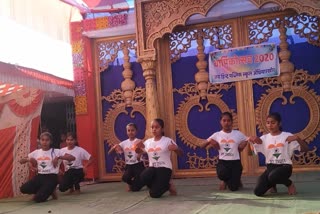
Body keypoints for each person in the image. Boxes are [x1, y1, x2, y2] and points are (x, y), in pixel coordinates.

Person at [248, 112, 309, 196]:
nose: (270, 125)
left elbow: (305, 150)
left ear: (279, 123)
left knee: (273, 176)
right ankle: (272, 184)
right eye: (268, 123)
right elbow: (251, 154)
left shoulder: (287, 136)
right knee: (257, 192)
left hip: (285, 167)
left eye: (273, 123)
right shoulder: (264, 138)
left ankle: (289, 184)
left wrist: (298, 139)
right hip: (270, 168)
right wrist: (250, 142)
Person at [19, 132, 75, 203]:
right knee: (23, 189)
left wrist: (58, 157)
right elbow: (21, 161)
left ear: (50, 141)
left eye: (47, 140)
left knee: (38, 199)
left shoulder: (56, 151)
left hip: (52, 177)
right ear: (40, 141)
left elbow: (72, 158)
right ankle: (48, 190)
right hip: (40, 176)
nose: (44, 142)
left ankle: (49, 190)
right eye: (42, 140)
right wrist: (28, 159)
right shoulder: (36, 152)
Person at [200, 112, 248, 191]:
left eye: (228, 121)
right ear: (221, 122)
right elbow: (202, 145)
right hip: (223, 162)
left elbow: (247, 139)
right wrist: (209, 141)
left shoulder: (238, 134)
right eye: (224, 120)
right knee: (222, 174)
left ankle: (236, 180)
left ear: (232, 122)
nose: (226, 123)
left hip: (235, 162)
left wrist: (243, 144)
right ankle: (224, 180)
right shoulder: (217, 135)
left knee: (233, 188)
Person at [135, 118, 183, 198]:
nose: (154, 129)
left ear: (162, 129)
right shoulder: (147, 142)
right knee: (143, 177)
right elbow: (138, 158)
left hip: (164, 169)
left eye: (157, 127)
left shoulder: (167, 141)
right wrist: (138, 152)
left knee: (154, 194)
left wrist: (176, 148)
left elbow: (181, 154)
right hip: (152, 169)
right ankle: (163, 184)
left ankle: (167, 185)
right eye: (152, 127)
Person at [108, 123, 145, 192]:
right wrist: (114, 147)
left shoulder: (139, 141)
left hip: (138, 165)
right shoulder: (123, 143)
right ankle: (133, 184)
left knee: (135, 189)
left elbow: (144, 151)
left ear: (136, 131)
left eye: (132, 130)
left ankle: (140, 182)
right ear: (126, 132)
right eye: (129, 130)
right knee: (125, 178)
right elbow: (109, 153)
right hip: (129, 166)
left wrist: (139, 154)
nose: (130, 132)